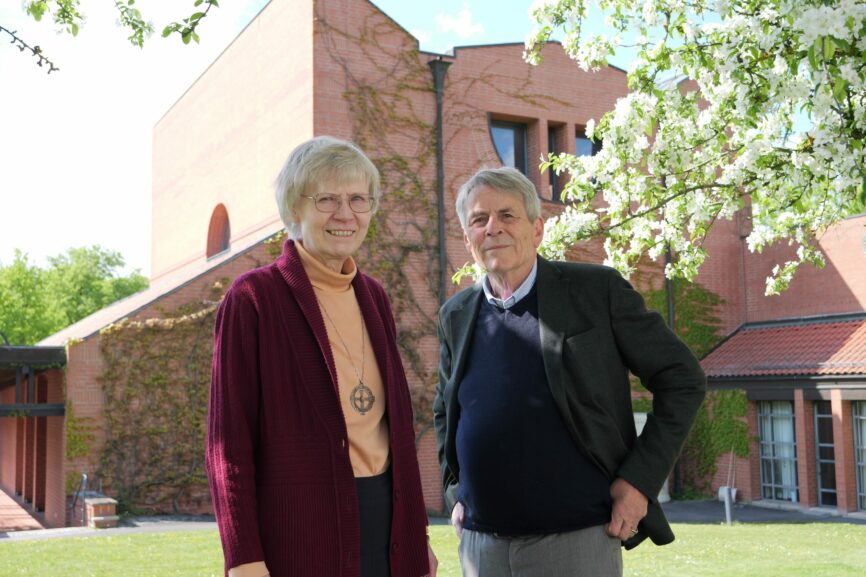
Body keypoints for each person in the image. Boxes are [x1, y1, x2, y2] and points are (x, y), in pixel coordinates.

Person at [434, 167, 706, 577]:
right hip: (480, 545)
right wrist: (455, 491)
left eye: (507, 215)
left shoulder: (596, 292)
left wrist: (639, 482)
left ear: (537, 230)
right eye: (479, 219)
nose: (493, 228)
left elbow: (682, 378)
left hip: (578, 539)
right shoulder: (455, 314)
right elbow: (444, 411)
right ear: (467, 238)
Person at [206, 136, 437, 577]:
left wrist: (416, 538)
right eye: (327, 199)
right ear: (295, 209)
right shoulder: (253, 298)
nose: (345, 214)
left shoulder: (374, 296)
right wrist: (243, 559)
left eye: (357, 199)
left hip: (389, 533)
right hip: (301, 536)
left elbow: (398, 432)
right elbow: (228, 445)